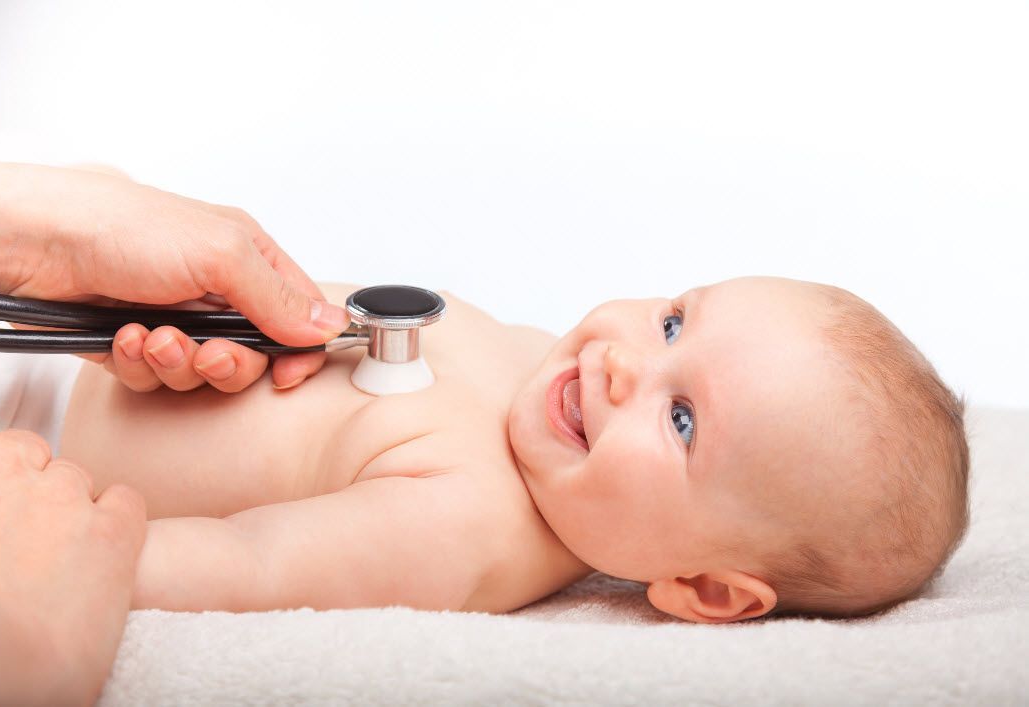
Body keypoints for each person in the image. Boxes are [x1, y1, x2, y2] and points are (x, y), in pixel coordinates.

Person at [60, 275, 970, 621]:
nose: (620, 362)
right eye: (673, 321)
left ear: (706, 589)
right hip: (85, 313)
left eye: (682, 417)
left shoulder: (470, 524)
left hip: (35, 418)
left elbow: (247, 564)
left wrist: (48, 547)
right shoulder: (546, 368)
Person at [0, 162, 349, 706]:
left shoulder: (481, 510)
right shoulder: (507, 345)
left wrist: (89, 553)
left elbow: (258, 561)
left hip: (26, 459)